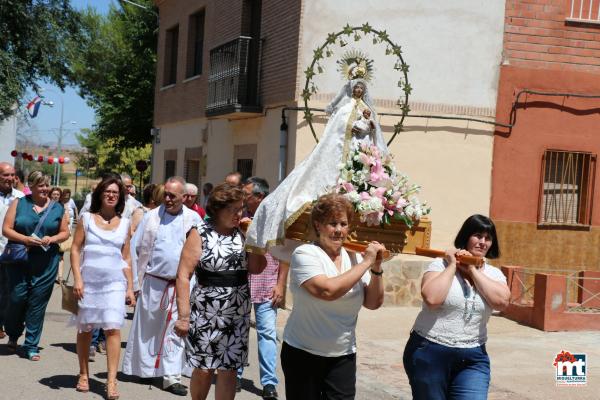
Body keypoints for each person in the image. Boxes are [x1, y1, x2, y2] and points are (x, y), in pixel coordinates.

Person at [245, 75, 387, 258]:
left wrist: (370, 126)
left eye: (362, 89)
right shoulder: (345, 109)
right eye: (356, 88)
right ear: (352, 89)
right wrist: (353, 128)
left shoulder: (367, 109)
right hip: (344, 151)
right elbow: (337, 131)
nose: (359, 91)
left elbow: (375, 131)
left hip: (363, 151)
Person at [279, 194, 385, 400]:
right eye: (332, 223)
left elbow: (373, 303)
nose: (338, 230)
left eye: (343, 224)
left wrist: (377, 268)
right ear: (318, 225)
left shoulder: (353, 256)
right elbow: (327, 291)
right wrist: (366, 263)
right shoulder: (305, 253)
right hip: (303, 353)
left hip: (342, 355)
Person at [173, 183, 268, 400]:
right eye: (233, 209)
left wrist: (255, 241)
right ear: (218, 209)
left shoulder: (244, 233)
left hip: (236, 313)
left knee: (229, 368)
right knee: (204, 368)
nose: (239, 214)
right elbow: (183, 275)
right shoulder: (200, 233)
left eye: (241, 208)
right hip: (205, 311)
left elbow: (257, 268)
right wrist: (184, 316)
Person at [403, 214, 510, 400]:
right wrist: (453, 264)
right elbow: (432, 298)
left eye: (488, 238)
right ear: (466, 237)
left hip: (473, 357)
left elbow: (501, 302)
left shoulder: (494, 274)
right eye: (477, 235)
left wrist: (472, 270)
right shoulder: (440, 265)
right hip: (429, 351)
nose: (483, 242)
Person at [122, 176, 201, 396]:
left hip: (181, 286)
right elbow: (135, 250)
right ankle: (145, 369)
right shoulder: (151, 218)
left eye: (172, 196)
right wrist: (134, 284)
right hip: (153, 283)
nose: (166, 199)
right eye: (165, 194)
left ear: (184, 197)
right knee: (148, 329)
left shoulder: (193, 219)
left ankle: (171, 376)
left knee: (177, 330)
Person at [69, 176, 136, 399]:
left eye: (115, 193)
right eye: (107, 191)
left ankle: (111, 380)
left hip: (114, 284)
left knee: (112, 329)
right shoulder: (86, 219)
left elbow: (126, 258)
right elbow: (76, 249)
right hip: (89, 281)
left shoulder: (125, 223)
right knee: (86, 328)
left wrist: (129, 287)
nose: (111, 195)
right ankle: (84, 374)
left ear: (120, 197)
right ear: (100, 194)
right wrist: (78, 279)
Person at [2, 170, 69, 360]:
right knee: (16, 298)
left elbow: (65, 233)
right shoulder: (19, 203)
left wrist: (53, 238)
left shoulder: (57, 208)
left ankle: (31, 344)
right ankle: (14, 333)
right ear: (30, 186)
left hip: (46, 262)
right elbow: (6, 229)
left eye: (47, 185)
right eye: (41, 185)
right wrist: (25, 239)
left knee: (37, 303)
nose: (45, 189)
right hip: (19, 260)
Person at [237, 177, 288, 399]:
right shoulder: (239, 217)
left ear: (259, 196)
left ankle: (269, 383)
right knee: (238, 332)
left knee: (267, 334)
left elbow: (285, 254)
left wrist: (281, 284)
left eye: (246, 194)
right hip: (241, 284)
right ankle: (234, 375)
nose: (243, 198)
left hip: (267, 284)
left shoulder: (277, 219)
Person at [0, 162, 24, 339]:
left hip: (12, 253)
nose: (9, 178)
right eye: (5, 175)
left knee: (11, 292)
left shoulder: (21, 198)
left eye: (12, 175)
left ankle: (7, 323)